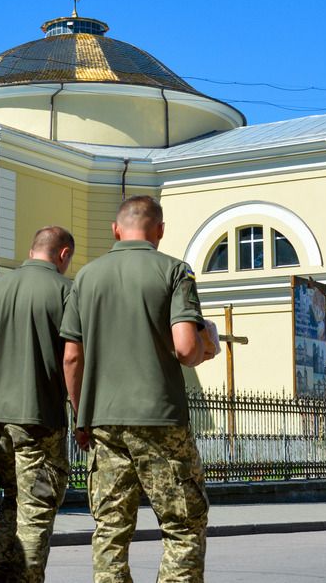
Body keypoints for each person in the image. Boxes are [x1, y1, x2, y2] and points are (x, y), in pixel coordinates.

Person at [60, 195, 216, 582]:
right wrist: (207, 343)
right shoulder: (175, 271)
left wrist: (81, 416)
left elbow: (71, 359)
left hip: (103, 421)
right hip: (160, 420)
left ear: (116, 229)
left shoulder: (86, 277)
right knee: (182, 525)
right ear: (159, 230)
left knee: (110, 529)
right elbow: (185, 348)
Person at [0, 226, 75, 583]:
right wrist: (82, 411)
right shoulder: (65, 291)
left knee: (12, 500)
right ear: (63, 255)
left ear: (32, 249)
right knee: (37, 507)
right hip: (39, 416)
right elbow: (73, 359)